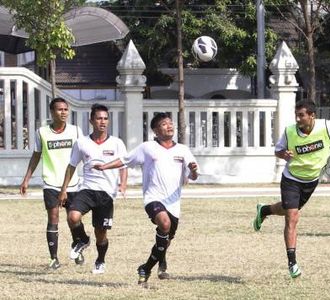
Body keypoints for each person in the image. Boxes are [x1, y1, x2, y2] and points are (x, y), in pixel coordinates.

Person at [252, 101, 330, 278]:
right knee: (292, 217)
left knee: (288, 210)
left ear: (312, 116)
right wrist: (283, 154)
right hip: (291, 179)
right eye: (297, 115)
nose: (298, 118)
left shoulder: (325, 126)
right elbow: (277, 151)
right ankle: (292, 262)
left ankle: (264, 210)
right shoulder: (290, 131)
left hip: (311, 181)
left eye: (301, 115)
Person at [93, 112, 199, 287]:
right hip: (153, 198)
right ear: (156, 131)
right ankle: (155, 263)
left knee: (166, 241)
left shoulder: (182, 150)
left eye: (170, 123)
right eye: (164, 124)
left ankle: (146, 267)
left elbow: (193, 176)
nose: (169, 126)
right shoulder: (147, 148)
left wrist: (194, 171)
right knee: (164, 225)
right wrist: (104, 166)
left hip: (174, 203)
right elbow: (124, 160)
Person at [58, 103, 127, 274]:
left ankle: (100, 260)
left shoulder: (117, 143)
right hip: (87, 188)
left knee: (101, 233)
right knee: (73, 217)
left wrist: (123, 184)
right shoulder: (81, 143)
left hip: (106, 194)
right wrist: (64, 189)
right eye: (99, 118)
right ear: (91, 120)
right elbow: (71, 165)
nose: (102, 122)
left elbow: (124, 164)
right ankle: (82, 239)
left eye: (105, 118)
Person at [19, 97, 84, 269]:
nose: (63, 112)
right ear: (52, 112)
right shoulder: (42, 132)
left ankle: (77, 248)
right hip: (51, 182)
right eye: (59, 109)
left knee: (73, 219)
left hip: (73, 183)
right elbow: (36, 156)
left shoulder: (76, 131)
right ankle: (54, 258)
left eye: (65, 109)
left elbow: (85, 154)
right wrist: (26, 179)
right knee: (53, 217)